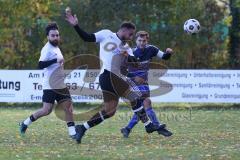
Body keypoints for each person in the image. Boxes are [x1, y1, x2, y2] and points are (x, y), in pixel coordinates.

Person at [65, 10, 164, 144]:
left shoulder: (126, 47)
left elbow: (135, 62)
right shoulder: (106, 34)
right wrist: (76, 26)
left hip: (114, 78)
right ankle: (148, 125)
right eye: (130, 34)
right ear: (123, 30)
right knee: (134, 96)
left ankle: (82, 128)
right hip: (107, 75)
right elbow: (87, 38)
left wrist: (127, 57)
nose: (131, 37)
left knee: (109, 111)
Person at [19, 22, 77, 139]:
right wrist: (55, 60)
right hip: (50, 85)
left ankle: (73, 134)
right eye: (53, 35)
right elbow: (40, 65)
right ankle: (25, 123)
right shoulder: (46, 49)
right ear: (48, 37)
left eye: (57, 35)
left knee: (68, 107)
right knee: (46, 110)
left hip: (60, 85)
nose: (56, 37)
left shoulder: (56, 47)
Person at [120, 31, 173, 138]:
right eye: (139, 40)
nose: (142, 43)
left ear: (147, 41)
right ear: (136, 41)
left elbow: (164, 56)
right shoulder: (131, 52)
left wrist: (169, 52)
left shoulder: (151, 49)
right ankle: (158, 127)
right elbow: (122, 70)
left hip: (143, 82)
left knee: (142, 107)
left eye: (144, 41)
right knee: (146, 102)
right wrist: (134, 77)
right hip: (132, 81)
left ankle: (127, 128)